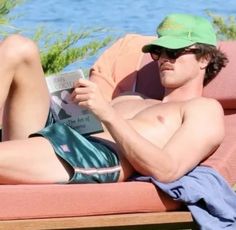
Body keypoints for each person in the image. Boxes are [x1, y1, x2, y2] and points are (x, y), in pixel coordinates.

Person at [0, 13, 228, 184]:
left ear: (204, 58)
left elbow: (167, 170)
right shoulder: (131, 96)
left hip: (89, 154)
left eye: (175, 52)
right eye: (158, 52)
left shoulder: (204, 109)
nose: (164, 59)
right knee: (19, 47)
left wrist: (107, 113)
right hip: (59, 133)